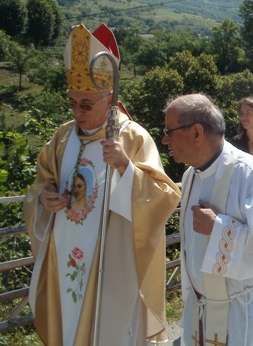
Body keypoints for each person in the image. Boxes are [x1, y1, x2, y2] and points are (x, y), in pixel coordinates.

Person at [23, 23, 181, 346]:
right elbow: (38, 186)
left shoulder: (131, 137)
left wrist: (125, 166)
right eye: (73, 102)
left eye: (86, 104)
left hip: (112, 269)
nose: (77, 112)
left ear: (109, 97)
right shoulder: (62, 138)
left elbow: (164, 197)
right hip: (65, 262)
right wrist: (44, 198)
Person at [163, 94, 253, 346]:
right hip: (202, 312)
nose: (164, 139)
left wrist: (219, 229)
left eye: (169, 131)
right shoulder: (190, 175)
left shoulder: (250, 175)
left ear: (197, 132)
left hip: (243, 315)